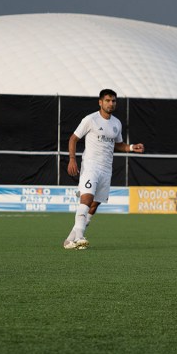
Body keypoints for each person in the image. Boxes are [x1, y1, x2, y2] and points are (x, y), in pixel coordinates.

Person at [63, 89, 144, 250]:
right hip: (91, 165)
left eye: (113, 101)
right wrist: (72, 159)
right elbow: (73, 138)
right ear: (100, 102)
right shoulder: (91, 119)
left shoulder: (116, 123)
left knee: (94, 205)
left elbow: (118, 144)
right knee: (86, 198)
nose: (111, 103)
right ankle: (79, 236)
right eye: (107, 100)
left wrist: (133, 147)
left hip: (106, 169)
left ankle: (69, 240)